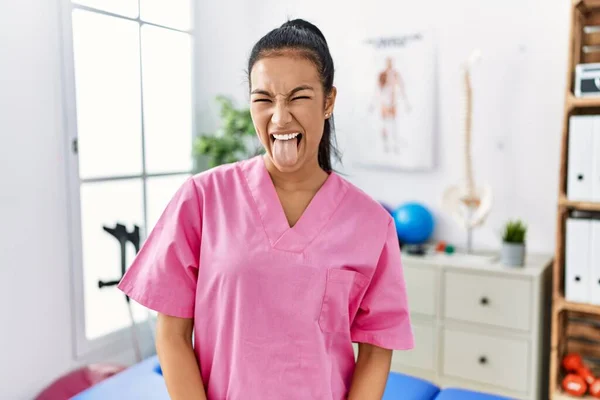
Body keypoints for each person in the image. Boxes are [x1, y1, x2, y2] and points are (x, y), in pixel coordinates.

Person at [118, 18, 414, 400]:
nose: (279, 117)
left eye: (298, 97)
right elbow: (172, 333)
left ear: (328, 101)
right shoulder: (204, 198)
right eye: (263, 99)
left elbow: (375, 350)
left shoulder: (371, 223)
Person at [369, 56, 411, 153]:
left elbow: (402, 88)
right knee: (385, 125)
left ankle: (394, 145)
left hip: (393, 103)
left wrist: (406, 103)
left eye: (391, 62)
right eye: (388, 62)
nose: (389, 64)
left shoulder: (395, 74)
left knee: (394, 125)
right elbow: (377, 91)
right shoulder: (382, 75)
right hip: (384, 104)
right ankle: (386, 145)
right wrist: (373, 104)